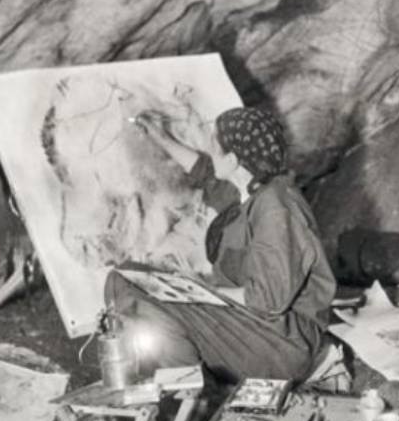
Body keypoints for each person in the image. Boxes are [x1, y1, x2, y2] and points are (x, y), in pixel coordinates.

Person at [104, 106, 337, 387]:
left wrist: (201, 289)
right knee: (124, 276)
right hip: (252, 323)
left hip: (281, 343)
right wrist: (161, 138)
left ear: (234, 159)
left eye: (214, 144)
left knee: (147, 305)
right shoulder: (248, 188)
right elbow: (205, 172)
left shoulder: (276, 207)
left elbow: (268, 300)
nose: (208, 149)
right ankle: (174, 379)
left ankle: (190, 402)